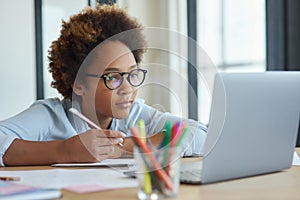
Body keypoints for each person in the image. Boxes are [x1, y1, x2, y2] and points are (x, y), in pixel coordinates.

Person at [0, 4, 207, 166]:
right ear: (78, 83)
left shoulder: (135, 114)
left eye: (132, 75)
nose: (127, 88)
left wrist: (129, 146)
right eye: (113, 77)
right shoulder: (50, 116)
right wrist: (64, 150)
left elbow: (199, 135)